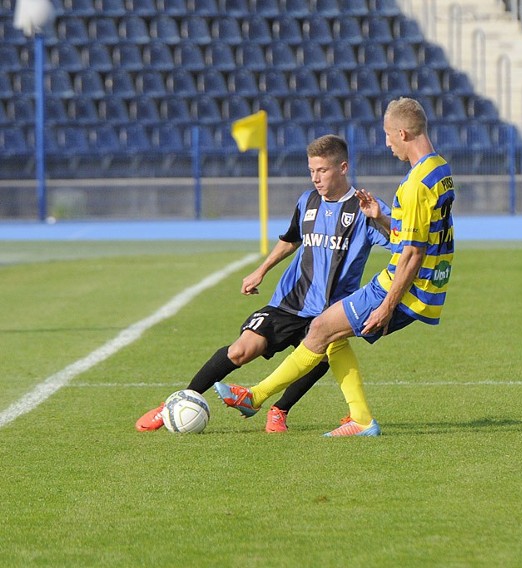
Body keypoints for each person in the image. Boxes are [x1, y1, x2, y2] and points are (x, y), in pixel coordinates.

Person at [214, 96, 455, 437]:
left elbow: (413, 253)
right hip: (429, 280)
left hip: (405, 283)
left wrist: (387, 307)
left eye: (388, 135)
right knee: (332, 334)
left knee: (320, 329)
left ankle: (256, 397)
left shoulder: (415, 184)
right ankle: (360, 419)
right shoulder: (439, 170)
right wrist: (382, 217)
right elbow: (418, 236)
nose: (386, 143)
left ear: (402, 133)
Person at [135, 134, 391, 433]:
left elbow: (399, 241)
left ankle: (279, 410)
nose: (315, 178)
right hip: (290, 302)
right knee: (240, 351)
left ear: (343, 167)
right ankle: (174, 403)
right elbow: (291, 239)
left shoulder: (365, 207)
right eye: (311, 171)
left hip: (329, 310)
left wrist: (382, 219)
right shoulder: (307, 201)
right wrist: (262, 270)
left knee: (323, 355)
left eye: (322, 170)